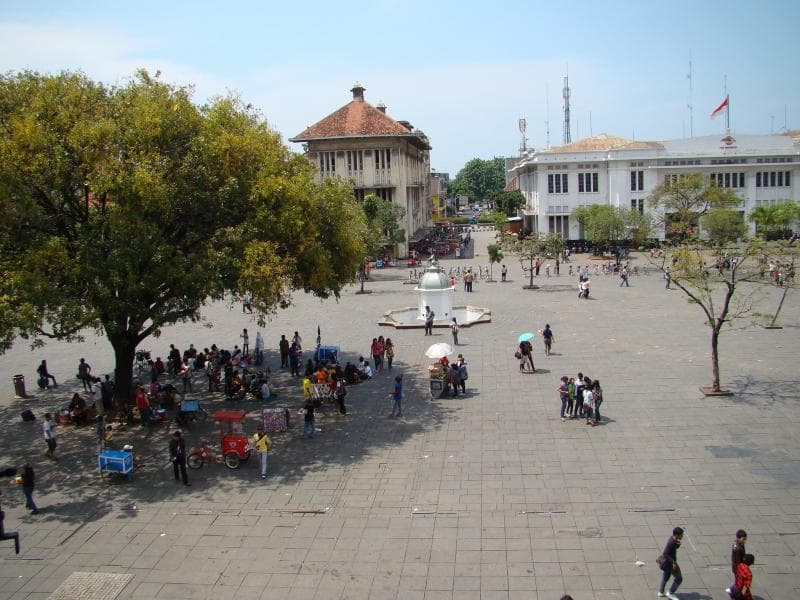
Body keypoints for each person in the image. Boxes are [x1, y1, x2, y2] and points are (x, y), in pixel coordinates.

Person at [657, 526, 684, 600]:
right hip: (670, 564)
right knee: (679, 579)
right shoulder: (672, 542)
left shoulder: (673, 540)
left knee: (666, 576)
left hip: (667, 564)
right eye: (681, 535)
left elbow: (672, 550)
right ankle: (670, 593)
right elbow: (665, 553)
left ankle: (661, 592)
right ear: (676, 535)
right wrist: (673, 563)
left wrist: (677, 545)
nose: (682, 536)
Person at [727, 530, 747, 595]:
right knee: (738, 582)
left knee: (738, 581)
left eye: (745, 539)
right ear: (738, 538)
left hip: (737, 566)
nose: (745, 541)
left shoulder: (738, 544)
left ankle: (733, 591)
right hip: (737, 568)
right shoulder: (737, 548)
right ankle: (732, 591)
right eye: (743, 539)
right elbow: (737, 560)